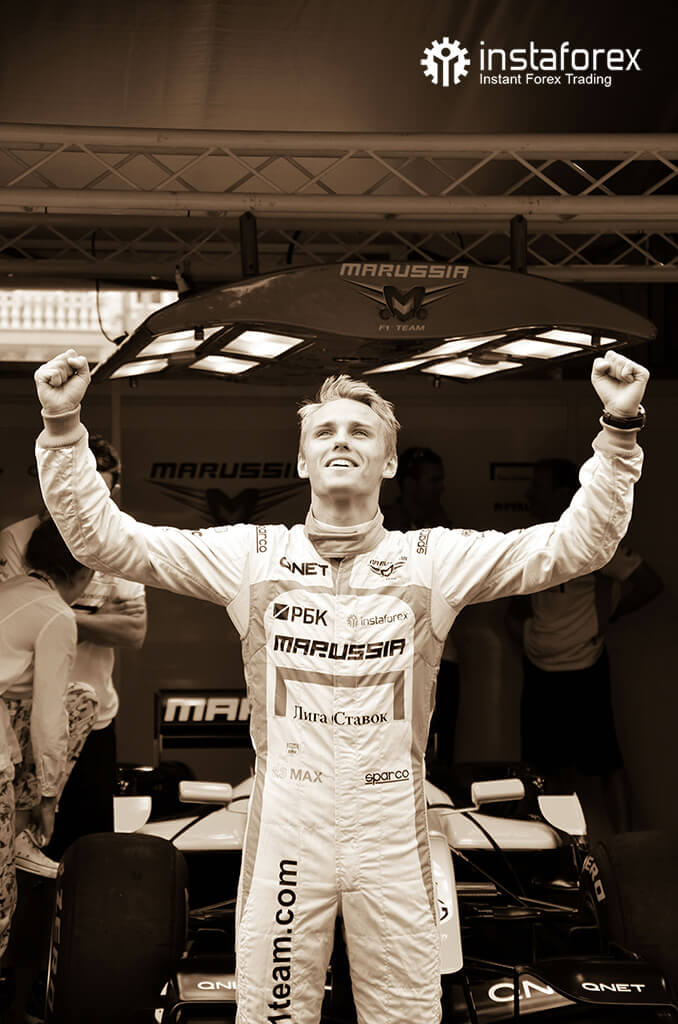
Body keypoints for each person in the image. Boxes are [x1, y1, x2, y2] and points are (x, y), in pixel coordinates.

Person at [32, 346, 647, 1024]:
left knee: (405, 1015)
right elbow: (106, 541)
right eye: (324, 431)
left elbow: (575, 547)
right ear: (302, 461)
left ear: (389, 462)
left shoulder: (432, 559)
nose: (341, 440)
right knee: (273, 1016)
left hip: (392, 825)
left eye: (360, 431)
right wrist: (61, 427)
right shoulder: (252, 556)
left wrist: (620, 433)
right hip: (288, 823)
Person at [0, 436, 147, 860]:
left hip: (92, 723)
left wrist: (57, 617)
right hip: (22, 721)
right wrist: (64, 619)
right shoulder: (18, 538)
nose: (86, 500)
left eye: (99, 490)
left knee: (89, 851)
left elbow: (134, 631)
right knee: (20, 852)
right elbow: (48, 713)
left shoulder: (118, 538)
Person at [507, 457, 662, 833]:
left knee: (604, 761)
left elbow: (649, 583)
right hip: (540, 668)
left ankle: (627, 847)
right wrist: (528, 636)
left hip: (583, 665)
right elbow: (516, 606)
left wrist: (603, 620)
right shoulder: (532, 538)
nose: (529, 494)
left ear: (563, 493)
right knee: (545, 767)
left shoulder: (593, 539)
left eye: (539, 487)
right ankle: (560, 848)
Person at [0, 519, 98, 965]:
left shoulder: (10, 591)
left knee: (81, 698)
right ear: (84, 571)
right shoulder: (56, 614)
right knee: (2, 904)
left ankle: (17, 827)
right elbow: (48, 717)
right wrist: (47, 797)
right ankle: (21, 829)